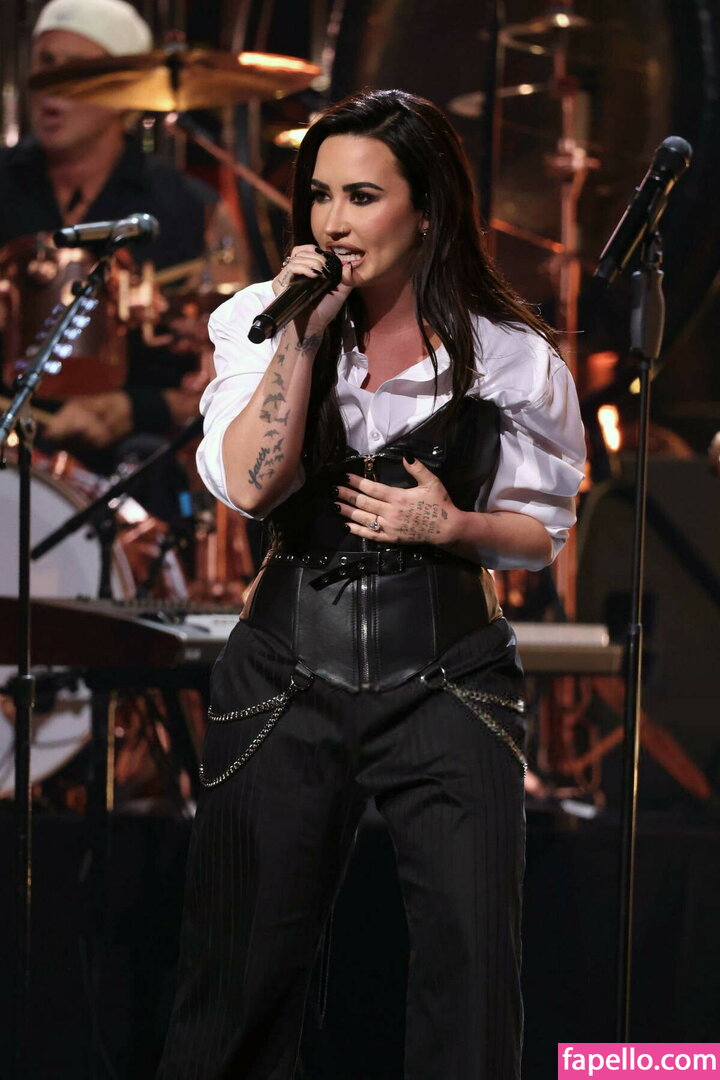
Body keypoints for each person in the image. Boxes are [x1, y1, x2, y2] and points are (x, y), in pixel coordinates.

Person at [157, 89, 586, 1080]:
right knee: (240, 972)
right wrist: (302, 335)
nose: (334, 222)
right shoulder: (257, 322)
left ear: (426, 211)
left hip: (448, 673)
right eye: (319, 196)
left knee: (470, 972)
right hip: (283, 673)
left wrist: (453, 526)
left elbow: (541, 534)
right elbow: (252, 485)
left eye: (362, 196)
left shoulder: (511, 355)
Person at [0, 0, 236, 455]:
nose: (54, 85)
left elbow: (239, 373)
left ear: (127, 90)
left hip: (139, 462)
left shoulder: (192, 209)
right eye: (47, 63)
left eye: (80, 69)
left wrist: (137, 409)